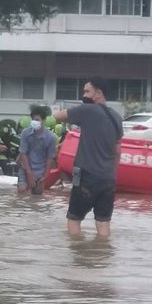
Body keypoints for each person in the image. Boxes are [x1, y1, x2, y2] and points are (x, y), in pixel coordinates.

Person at [54, 80, 123, 238]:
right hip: (108, 179)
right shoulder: (117, 117)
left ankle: (78, 258)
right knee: (103, 222)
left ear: (98, 93)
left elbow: (58, 116)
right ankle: (101, 256)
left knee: (74, 219)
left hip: (86, 176)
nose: (84, 95)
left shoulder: (87, 110)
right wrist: (111, 173)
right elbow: (118, 151)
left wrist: (79, 108)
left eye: (87, 92)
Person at [17, 105, 58, 195]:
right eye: (33, 120)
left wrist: (46, 175)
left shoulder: (51, 137)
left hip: (41, 171)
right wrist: (29, 173)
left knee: (37, 195)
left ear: (43, 120)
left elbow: (49, 158)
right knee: (22, 190)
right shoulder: (25, 133)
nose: (34, 122)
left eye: (37, 120)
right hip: (25, 168)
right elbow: (23, 154)